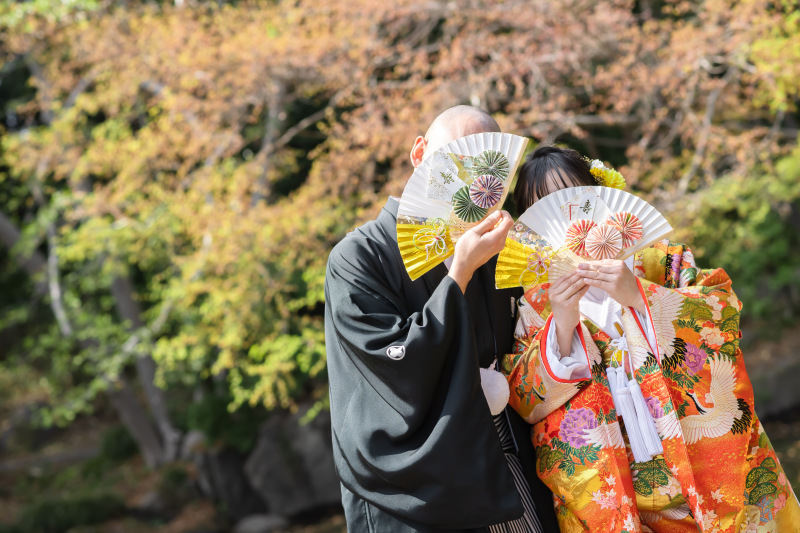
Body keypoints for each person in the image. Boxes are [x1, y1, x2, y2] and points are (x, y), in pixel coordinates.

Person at [501, 145, 800, 532]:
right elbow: (524, 400)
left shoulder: (661, 262)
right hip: (624, 492)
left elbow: (721, 314)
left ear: (600, 195)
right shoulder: (535, 305)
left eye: (575, 199)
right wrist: (561, 325)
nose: (566, 218)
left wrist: (640, 297)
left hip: (701, 461)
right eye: (546, 209)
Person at [324, 106, 559, 532]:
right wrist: (460, 274)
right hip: (420, 480)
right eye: (456, 158)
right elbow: (390, 361)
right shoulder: (358, 257)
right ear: (419, 153)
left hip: (504, 457)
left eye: (489, 166)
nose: (470, 178)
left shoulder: (498, 252)